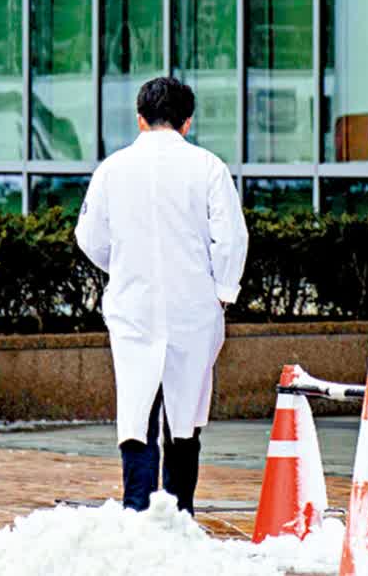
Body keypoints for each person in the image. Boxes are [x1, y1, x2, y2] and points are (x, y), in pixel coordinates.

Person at [75, 76, 248, 513]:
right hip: (194, 305)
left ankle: (137, 510)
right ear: (187, 122)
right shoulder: (208, 167)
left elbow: (90, 237)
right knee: (185, 413)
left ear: (140, 119)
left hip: (133, 305)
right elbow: (231, 238)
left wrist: (123, 268)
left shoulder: (112, 169)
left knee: (137, 411)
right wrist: (222, 291)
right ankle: (179, 511)